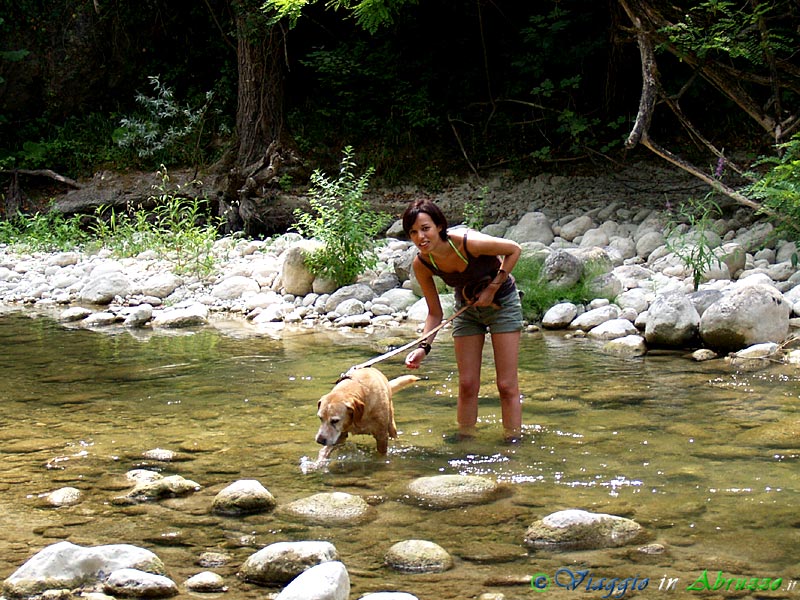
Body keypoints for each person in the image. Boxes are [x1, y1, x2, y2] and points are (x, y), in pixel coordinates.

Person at [402, 198, 524, 442]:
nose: (420, 237)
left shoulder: (468, 243)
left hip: (503, 304)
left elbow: (514, 249)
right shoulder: (422, 263)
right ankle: (466, 441)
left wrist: (491, 289)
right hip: (466, 310)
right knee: (467, 384)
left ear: (439, 226)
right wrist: (422, 348)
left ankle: (512, 442)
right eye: (413, 232)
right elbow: (435, 313)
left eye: (425, 228)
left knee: (506, 385)